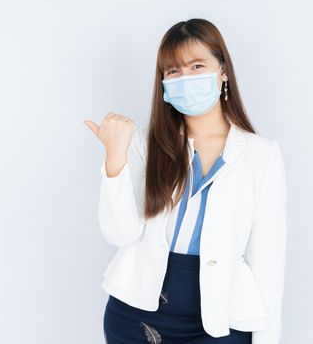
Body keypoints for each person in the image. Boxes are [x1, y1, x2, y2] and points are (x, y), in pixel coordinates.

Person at [84, 18, 287, 344]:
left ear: (222, 72)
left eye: (197, 66)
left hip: (222, 319)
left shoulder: (261, 155)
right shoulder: (144, 144)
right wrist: (114, 158)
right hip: (136, 314)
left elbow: (268, 264)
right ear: (163, 82)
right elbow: (120, 232)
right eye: (173, 71)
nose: (185, 78)